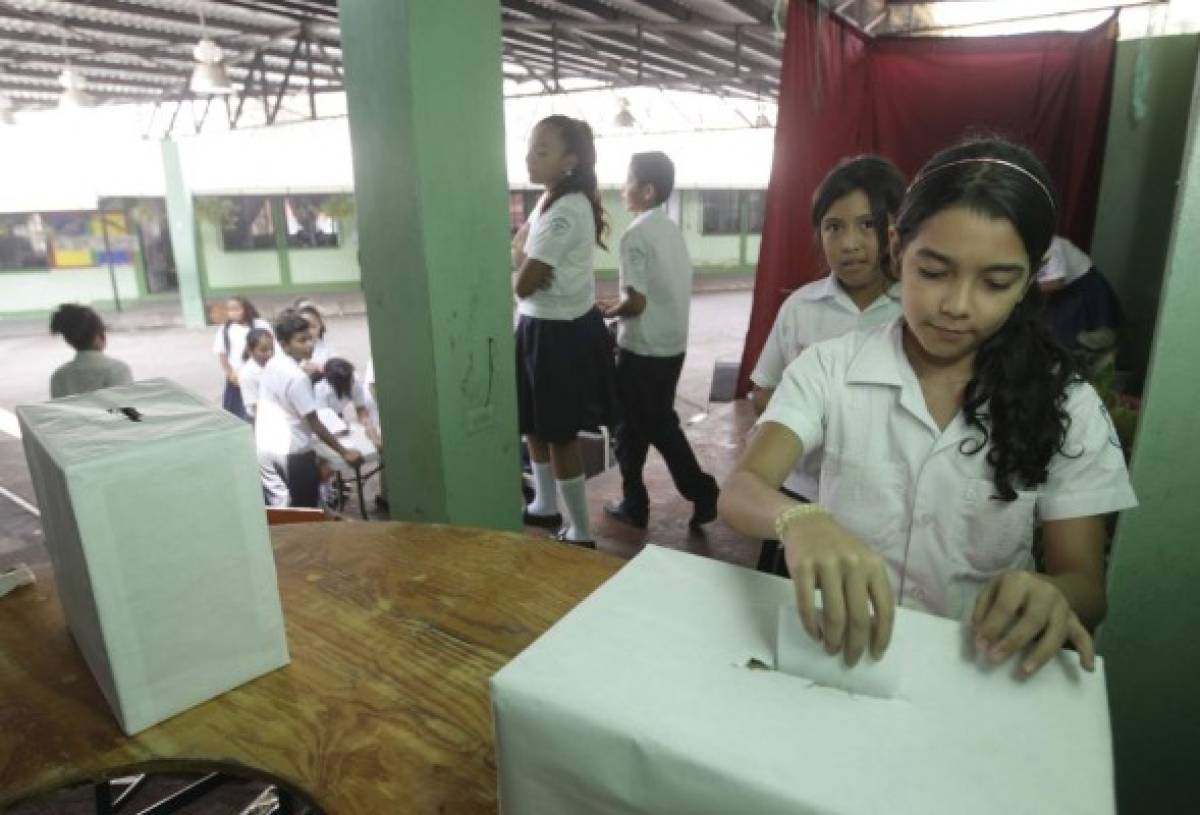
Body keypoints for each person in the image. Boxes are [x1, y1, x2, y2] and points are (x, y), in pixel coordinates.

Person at [719, 138, 1137, 678]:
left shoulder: (1067, 402)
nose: (956, 306)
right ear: (898, 248)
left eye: (995, 282)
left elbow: (1085, 583)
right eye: (934, 272)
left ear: (1030, 277)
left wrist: (1052, 594)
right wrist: (798, 517)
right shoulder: (830, 368)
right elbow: (742, 487)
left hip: (976, 670)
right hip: (844, 657)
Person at [749, 155, 906, 572]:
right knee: (788, 608)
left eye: (867, 225)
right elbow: (763, 391)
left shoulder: (918, 310)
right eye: (834, 227)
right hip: (802, 493)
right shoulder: (800, 307)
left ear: (898, 230)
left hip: (884, 501)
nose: (850, 243)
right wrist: (801, 426)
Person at [513, 114, 619, 548]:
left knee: (559, 434)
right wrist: (520, 253)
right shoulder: (548, 199)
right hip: (537, 324)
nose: (529, 158)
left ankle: (581, 530)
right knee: (533, 426)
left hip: (558, 334)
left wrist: (518, 254)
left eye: (542, 151)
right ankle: (544, 503)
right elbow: (521, 254)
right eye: (530, 148)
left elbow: (523, 279)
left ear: (570, 160)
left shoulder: (567, 209)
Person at [599, 151, 719, 530]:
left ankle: (702, 491)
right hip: (672, 347)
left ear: (647, 191)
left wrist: (609, 310)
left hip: (643, 351)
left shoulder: (635, 235)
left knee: (656, 427)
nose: (623, 187)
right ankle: (635, 503)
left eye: (628, 180)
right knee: (631, 430)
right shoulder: (670, 230)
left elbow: (636, 302)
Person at [255, 310, 362, 507]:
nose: (309, 345)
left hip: (265, 446)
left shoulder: (273, 364)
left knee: (281, 506)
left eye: (310, 339)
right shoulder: (298, 378)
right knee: (305, 510)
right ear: (284, 344)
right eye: (301, 340)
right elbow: (315, 424)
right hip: (292, 452)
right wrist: (344, 452)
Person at [1036, 235, 1122, 372]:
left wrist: (1023, 287)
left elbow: (1056, 282)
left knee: (1065, 341)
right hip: (1066, 292)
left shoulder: (1051, 245)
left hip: (1080, 290)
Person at [49, 303, 133, 398]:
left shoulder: (59, 376)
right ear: (99, 336)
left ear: (69, 341)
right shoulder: (117, 370)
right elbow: (125, 410)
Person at [212, 296, 270, 419]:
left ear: (246, 309)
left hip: (259, 376)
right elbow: (222, 354)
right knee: (238, 414)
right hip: (236, 378)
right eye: (229, 310)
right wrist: (230, 373)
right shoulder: (225, 330)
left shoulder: (260, 325)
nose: (232, 313)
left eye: (236, 309)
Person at [238, 328, 275, 423]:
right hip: (261, 419)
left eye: (272, 349)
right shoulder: (247, 374)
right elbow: (255, 405)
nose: (269, 353)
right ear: (250, 351)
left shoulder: (274, 365)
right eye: (263, 350)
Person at [295, 302, 334, 376]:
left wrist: (320, 369)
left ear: (320, 326)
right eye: (305, 326)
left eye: (313, 326)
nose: (309, 331)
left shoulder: (327, 348)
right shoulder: (292, 348)